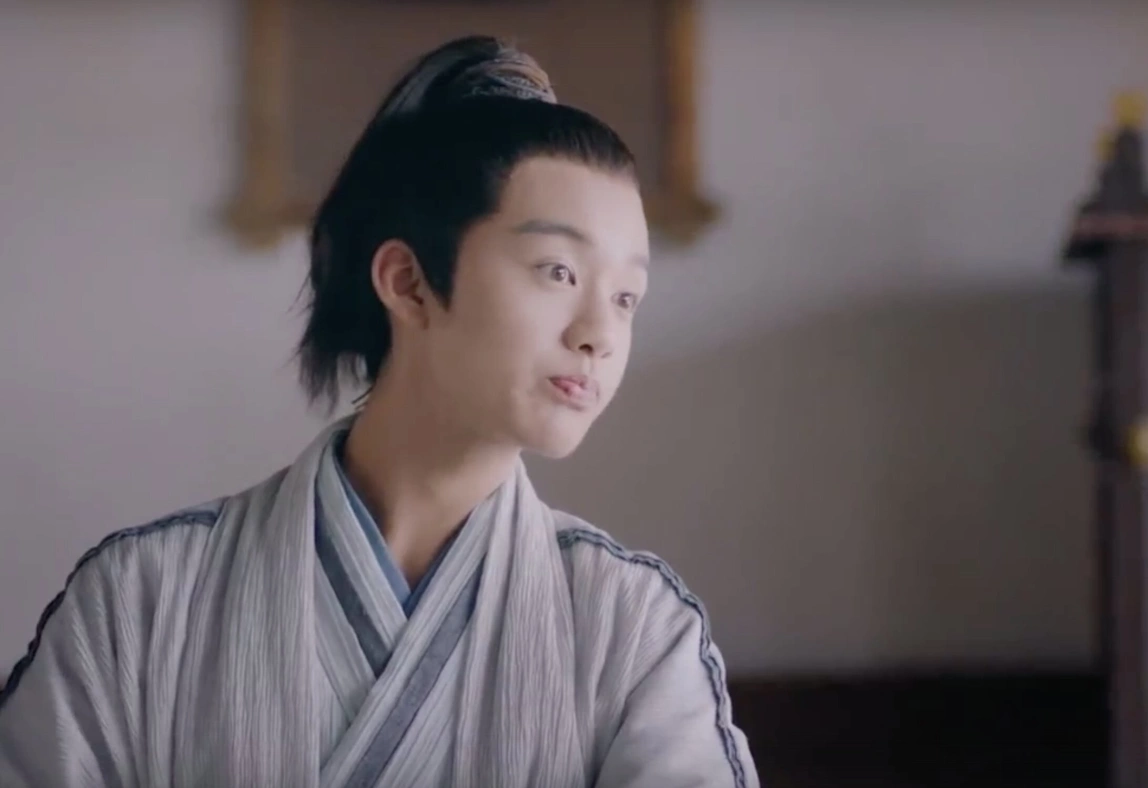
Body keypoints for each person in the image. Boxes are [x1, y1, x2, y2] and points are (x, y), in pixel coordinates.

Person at [0, 35, 759, 788]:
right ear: (408, 281)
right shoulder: (141, 597)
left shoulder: (634, 626)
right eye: (557, 271)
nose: (600, 334)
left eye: (626, 297)